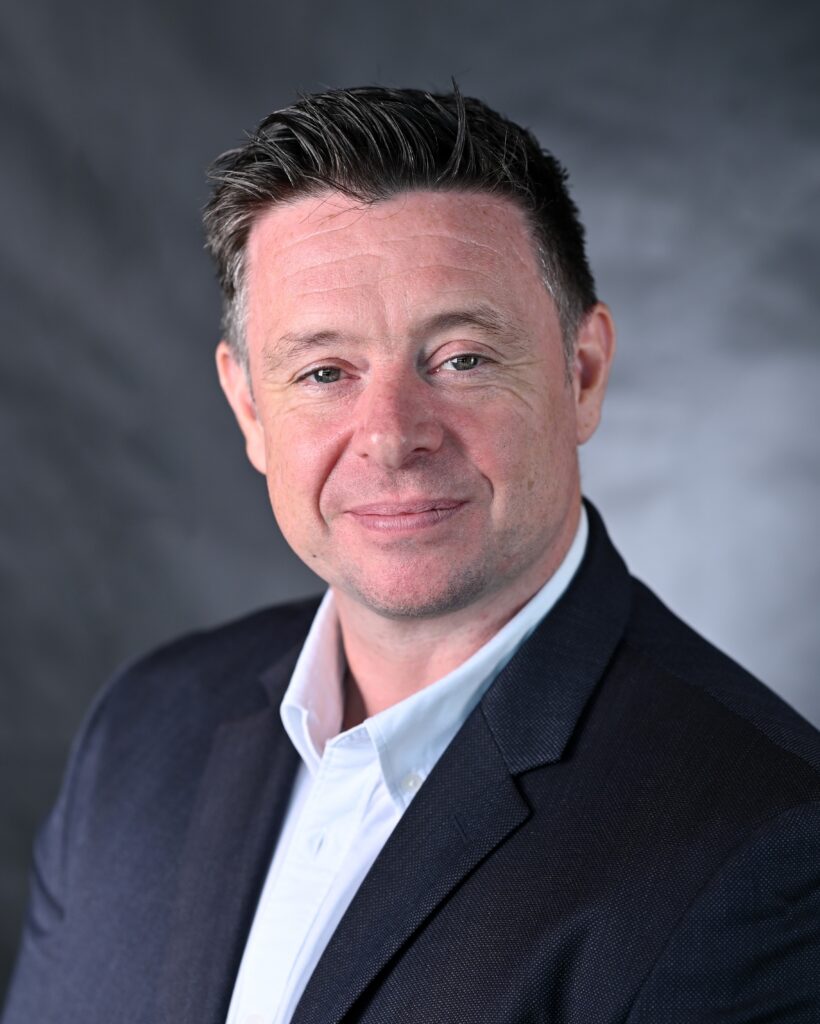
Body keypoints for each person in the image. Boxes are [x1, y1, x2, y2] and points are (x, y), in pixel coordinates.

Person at [3, 86, 820, 1024]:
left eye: (462, 358)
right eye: (324, 372)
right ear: (250, 409)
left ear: (583, 372)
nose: (392, 436)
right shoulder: (143, 732)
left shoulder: (765, 847)